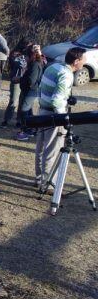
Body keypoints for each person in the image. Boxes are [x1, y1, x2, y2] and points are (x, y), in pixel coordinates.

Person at [34, 47, 86, 193]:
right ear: (76, 61)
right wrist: (64, 119)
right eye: (84, 60)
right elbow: (57, 101)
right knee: (52, 150)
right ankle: (48, 185)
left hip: (42, 111)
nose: (85, 63)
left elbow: (43, 88)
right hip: (53, 116)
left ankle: (38, 179)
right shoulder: (66, 75)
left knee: (40, 147)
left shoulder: (54, 67)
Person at [16, 44, 44, 141]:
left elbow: (31, 80)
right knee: (28, 111)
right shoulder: (33, 63)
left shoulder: (35, 64)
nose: (25, 58)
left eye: (26, 56)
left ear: (31, 55)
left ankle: (24, 131)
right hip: (28, 90)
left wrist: (20, 79)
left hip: (31, 91)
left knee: (24, 110)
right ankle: (32, 129)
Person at [1, 40, 31, 128]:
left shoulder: (30, 55)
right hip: (16, 80)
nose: (28, 48)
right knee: (13, 101)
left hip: (25, 80)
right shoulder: (15, 54)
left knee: (22, 102)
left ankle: (19, 120)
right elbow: (19, 64)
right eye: (28, 46)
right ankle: (6, 120)